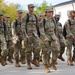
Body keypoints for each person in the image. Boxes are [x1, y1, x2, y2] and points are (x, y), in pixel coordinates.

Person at [21, 4, 40, 69]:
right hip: (28, 35)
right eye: (31, 7)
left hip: (35, 35)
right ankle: (28, 63)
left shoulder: (35, 16)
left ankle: (35, 59)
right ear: (28, 8)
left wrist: (38, 34)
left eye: (33, 7)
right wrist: (25, 35)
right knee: (28, 50)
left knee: (38, 47)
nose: (32, 8)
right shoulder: (25, 16)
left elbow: (37, 26)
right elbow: (23, 27)